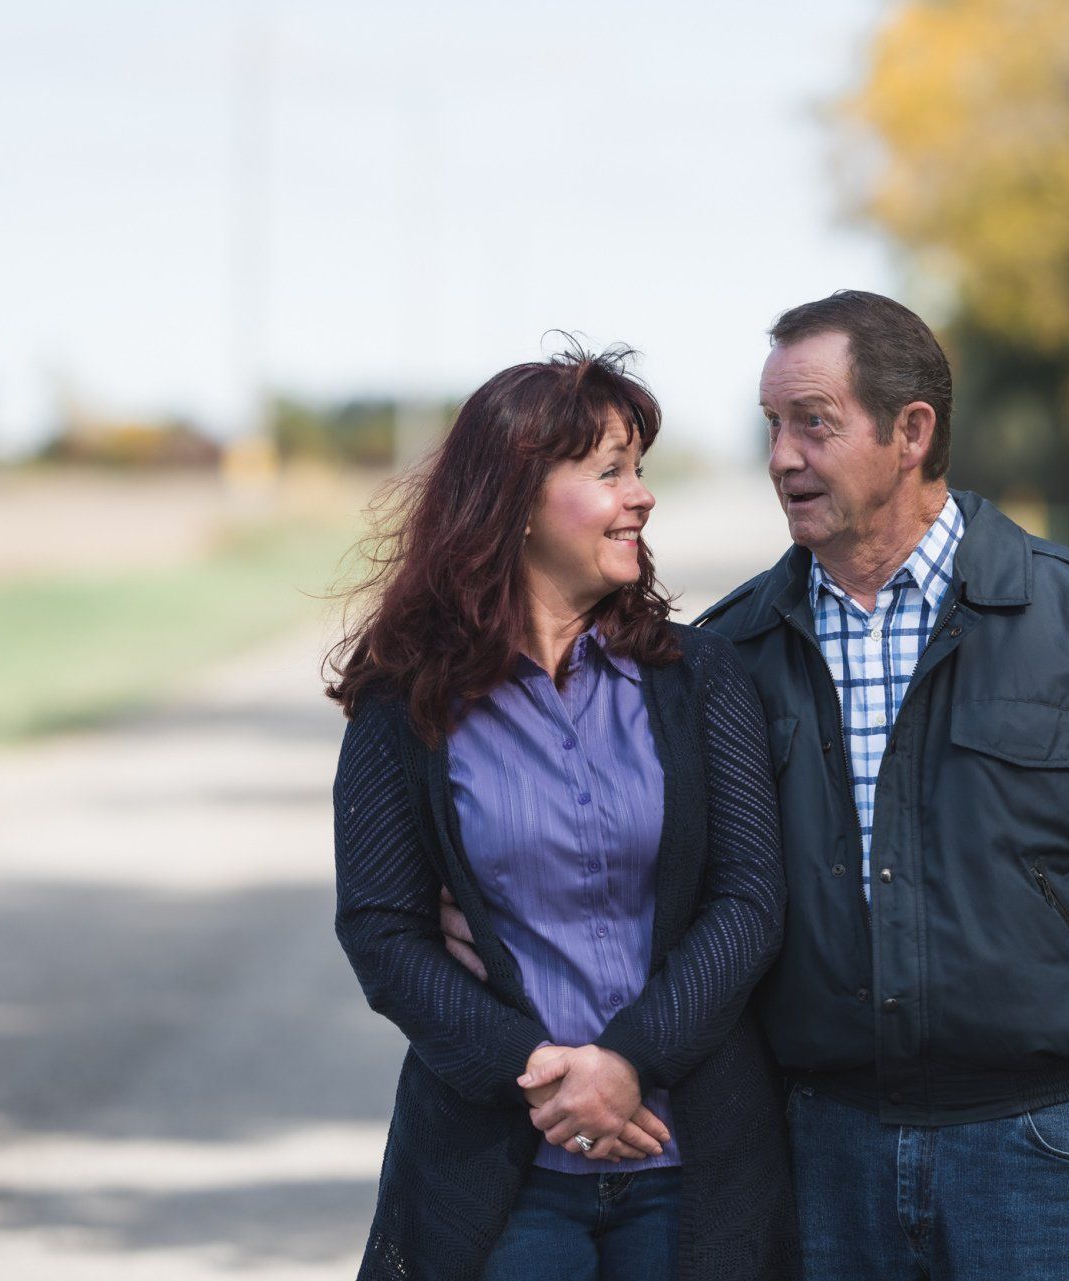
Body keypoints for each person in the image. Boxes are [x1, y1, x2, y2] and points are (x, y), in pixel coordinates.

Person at [445, 293, 1069, 1280]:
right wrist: (483, 908)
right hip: (818, 1153)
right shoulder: (729, 652)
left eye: (813, 424)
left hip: (1043, 1149)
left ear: (911, 431)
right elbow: (672, 882)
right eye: (772, 427)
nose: (782, 456)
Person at [328, 346, 799, 1281]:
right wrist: (543, 1074)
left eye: (642, 469)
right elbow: (382, 930)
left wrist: (625, 1061)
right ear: (518, 503)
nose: (644, 496)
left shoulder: (699, 676)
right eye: (611, 471)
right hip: (499, 1167)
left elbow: (750, 901)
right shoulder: (405, 699)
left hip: (691, 1158)